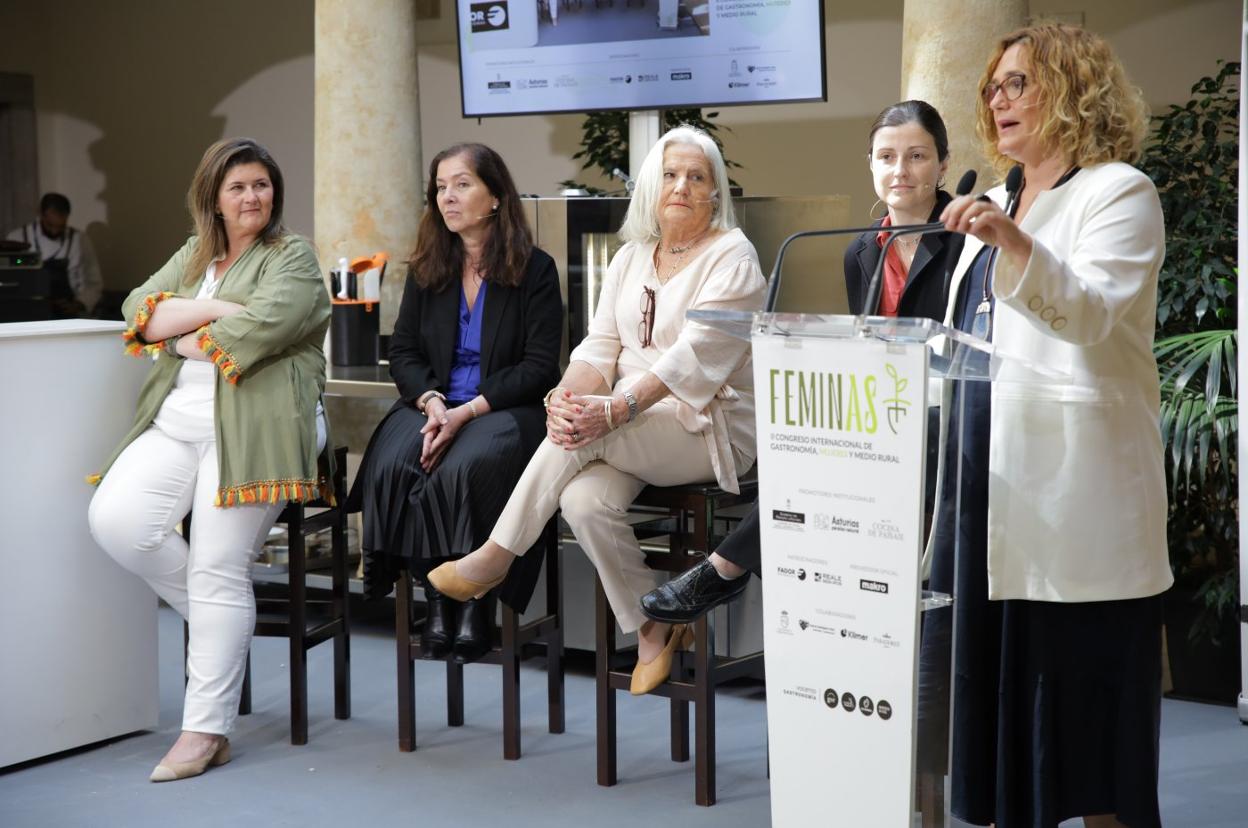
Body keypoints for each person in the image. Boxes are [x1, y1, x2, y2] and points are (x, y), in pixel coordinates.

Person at [925, 24, 1171, 828]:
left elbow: (1093, 315)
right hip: (987, 490)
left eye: (1019, 83)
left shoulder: (1119, 192)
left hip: (1075, 494)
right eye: (993, 86)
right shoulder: (994, 198)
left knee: (1089, 729)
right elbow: (967, 330)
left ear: (1072, 89)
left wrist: (1013, 242)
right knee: (1004, 718)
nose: (999, 99)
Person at [427, 124, 765, 695]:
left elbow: (694, 359)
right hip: (629, 426)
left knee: (581, 433)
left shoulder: (734, 255)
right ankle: (655, 627)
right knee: (582, 502)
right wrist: (567, 396)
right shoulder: (632, 255)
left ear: (714, 193)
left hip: (706, 427)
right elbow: (599, 347)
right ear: (651, 189)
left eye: (697, 176)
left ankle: (494, 555)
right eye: (670, 174)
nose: (682, 185)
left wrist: (610, 410)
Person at [641, 100, 960, 625]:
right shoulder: (858, 249)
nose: (900, 171)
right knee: (812, 445)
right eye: (886, 157)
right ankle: (753, 574)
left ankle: (724, 567)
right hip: (887, 414)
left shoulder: (966, 242)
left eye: (917, 156)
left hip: (944, 419)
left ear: (943, 165)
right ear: (871, 165)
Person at [87, 138, 332, 782]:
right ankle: (223, 618)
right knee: (116, 522)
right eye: (238, 188)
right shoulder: (197, 254)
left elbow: (256, 333)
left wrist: (178, 328)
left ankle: (206, 730)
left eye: (261, 184)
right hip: (177, 423)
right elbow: (135, 307)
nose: (253, 197)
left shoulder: (293, 257)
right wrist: (217, 307)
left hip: (257, 428)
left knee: (218, 566)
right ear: (213, 200)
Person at [347, 143, 562, 663]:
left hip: (506, 409)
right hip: (436, 403)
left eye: (462, 184)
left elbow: (539, 368)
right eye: (441, 187)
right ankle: (434, 592)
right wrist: (432, 401)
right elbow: (402, 352)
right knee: (397, 463)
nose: (448, 197)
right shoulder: (428, 268)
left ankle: (473, 598)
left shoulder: (535, 269)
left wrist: (468, 411)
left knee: (462, 467)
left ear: (495, 196)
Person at [6, 192, 103, 316]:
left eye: (61, 227)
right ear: (41, 214)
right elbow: (10, 283)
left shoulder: (79, 239)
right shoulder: (18, 238)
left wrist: (80, 304)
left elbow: (94, 281)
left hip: (70, 312)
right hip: (30, 311)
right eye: (50, 225)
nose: (55, 231)